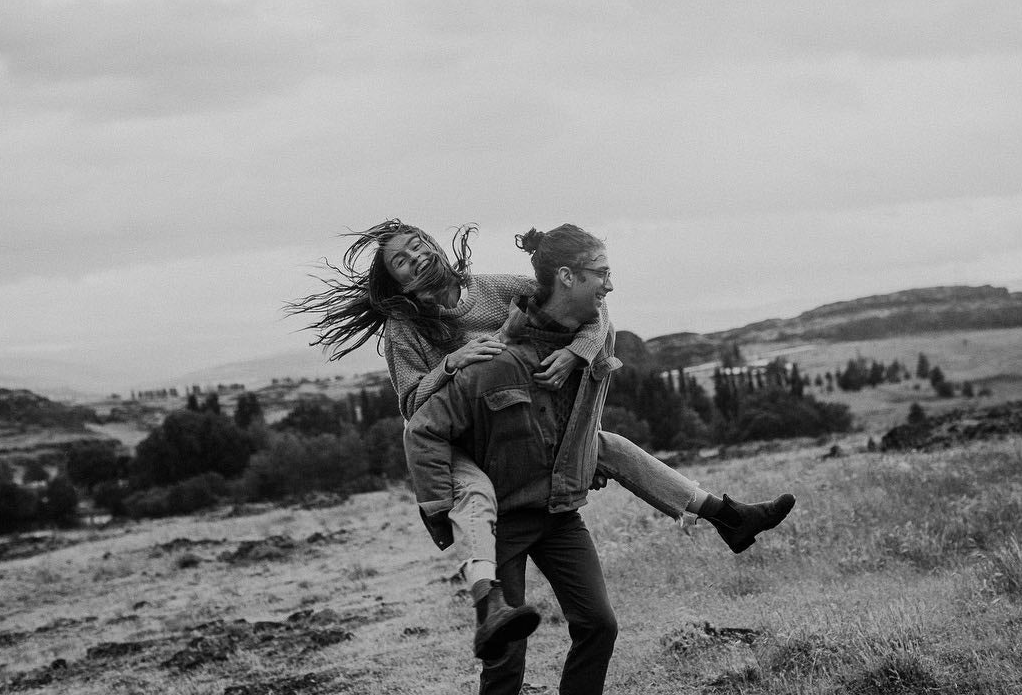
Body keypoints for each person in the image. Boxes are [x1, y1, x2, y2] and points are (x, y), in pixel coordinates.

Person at [286, 219, 795, 662]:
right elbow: (413, 407)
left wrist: (577, 354)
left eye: (418, 245)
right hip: (462, 445)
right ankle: (488, 599)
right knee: (479, 497)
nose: (415, 257)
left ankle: (724, 515)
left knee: (607, 445)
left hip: (522, 431)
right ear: (394, 280)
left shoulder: (496, 289)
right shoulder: (405, 330)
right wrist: (450, 363)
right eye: (401, 260)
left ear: (436, 248)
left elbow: (589, 312)